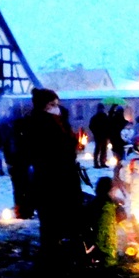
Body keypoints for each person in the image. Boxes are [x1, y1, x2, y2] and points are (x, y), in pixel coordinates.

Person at [25, 88, 82, 267]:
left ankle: (66, 246)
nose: (56, 107)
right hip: (49, 177)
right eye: (52, 104)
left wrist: (74, 144)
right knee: (50, 214)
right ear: (43, 106)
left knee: (68, 212)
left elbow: (66, 143)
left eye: (57, 104)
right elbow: (44, 150)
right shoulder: (37, 123)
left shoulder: (61, 121)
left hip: (66, 173)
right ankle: (50, 251)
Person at [83, 176, 123, 267]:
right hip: (103, 253)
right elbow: (102, 232)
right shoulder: (105, 207)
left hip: (103, 251)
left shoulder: (99, 203)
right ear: (110, 190)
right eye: (114, 189)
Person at [88, 103, 109, 169]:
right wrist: (95, 132)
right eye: (100, 108)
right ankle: (96, 163)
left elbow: (108, 125)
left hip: (103, 135)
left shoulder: (104, 117)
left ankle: (102, 162)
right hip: (98, 135)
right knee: (98, 149)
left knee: (103, 150)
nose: (101, 110)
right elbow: (91, 126)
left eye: (102, 108)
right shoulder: (95, 117)